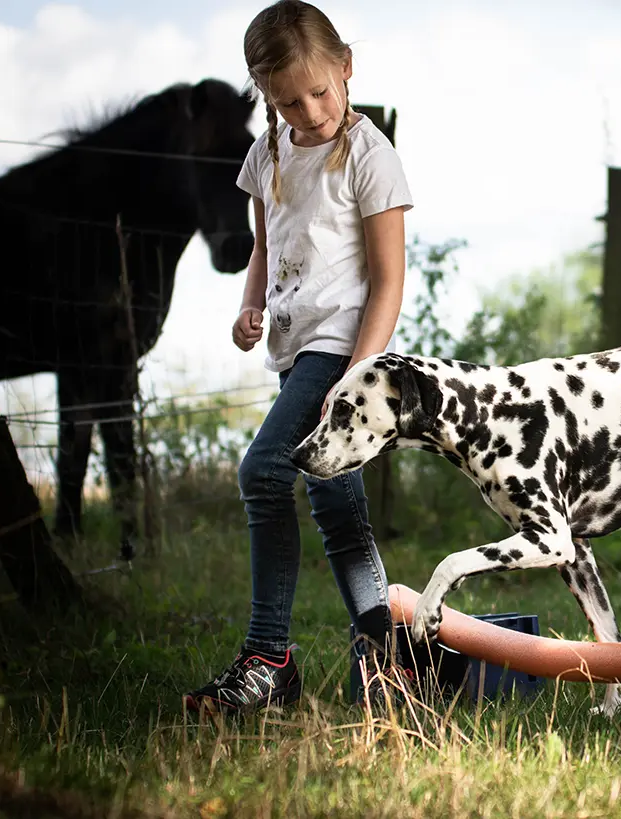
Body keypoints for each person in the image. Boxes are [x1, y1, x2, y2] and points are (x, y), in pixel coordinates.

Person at [184, 0, 412, 713]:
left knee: (263, 472)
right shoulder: (268, 153)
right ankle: (390, 667)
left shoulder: (370, 156)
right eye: (288, 102)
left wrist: (355, 378)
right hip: (292, 348)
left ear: (346, 67)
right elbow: (266, 243)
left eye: (319, 92)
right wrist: (249, 305)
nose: (309, 113)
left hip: (341, 349)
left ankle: (268, 656)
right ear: (265, 96)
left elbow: (389, 280)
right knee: (336, 504)